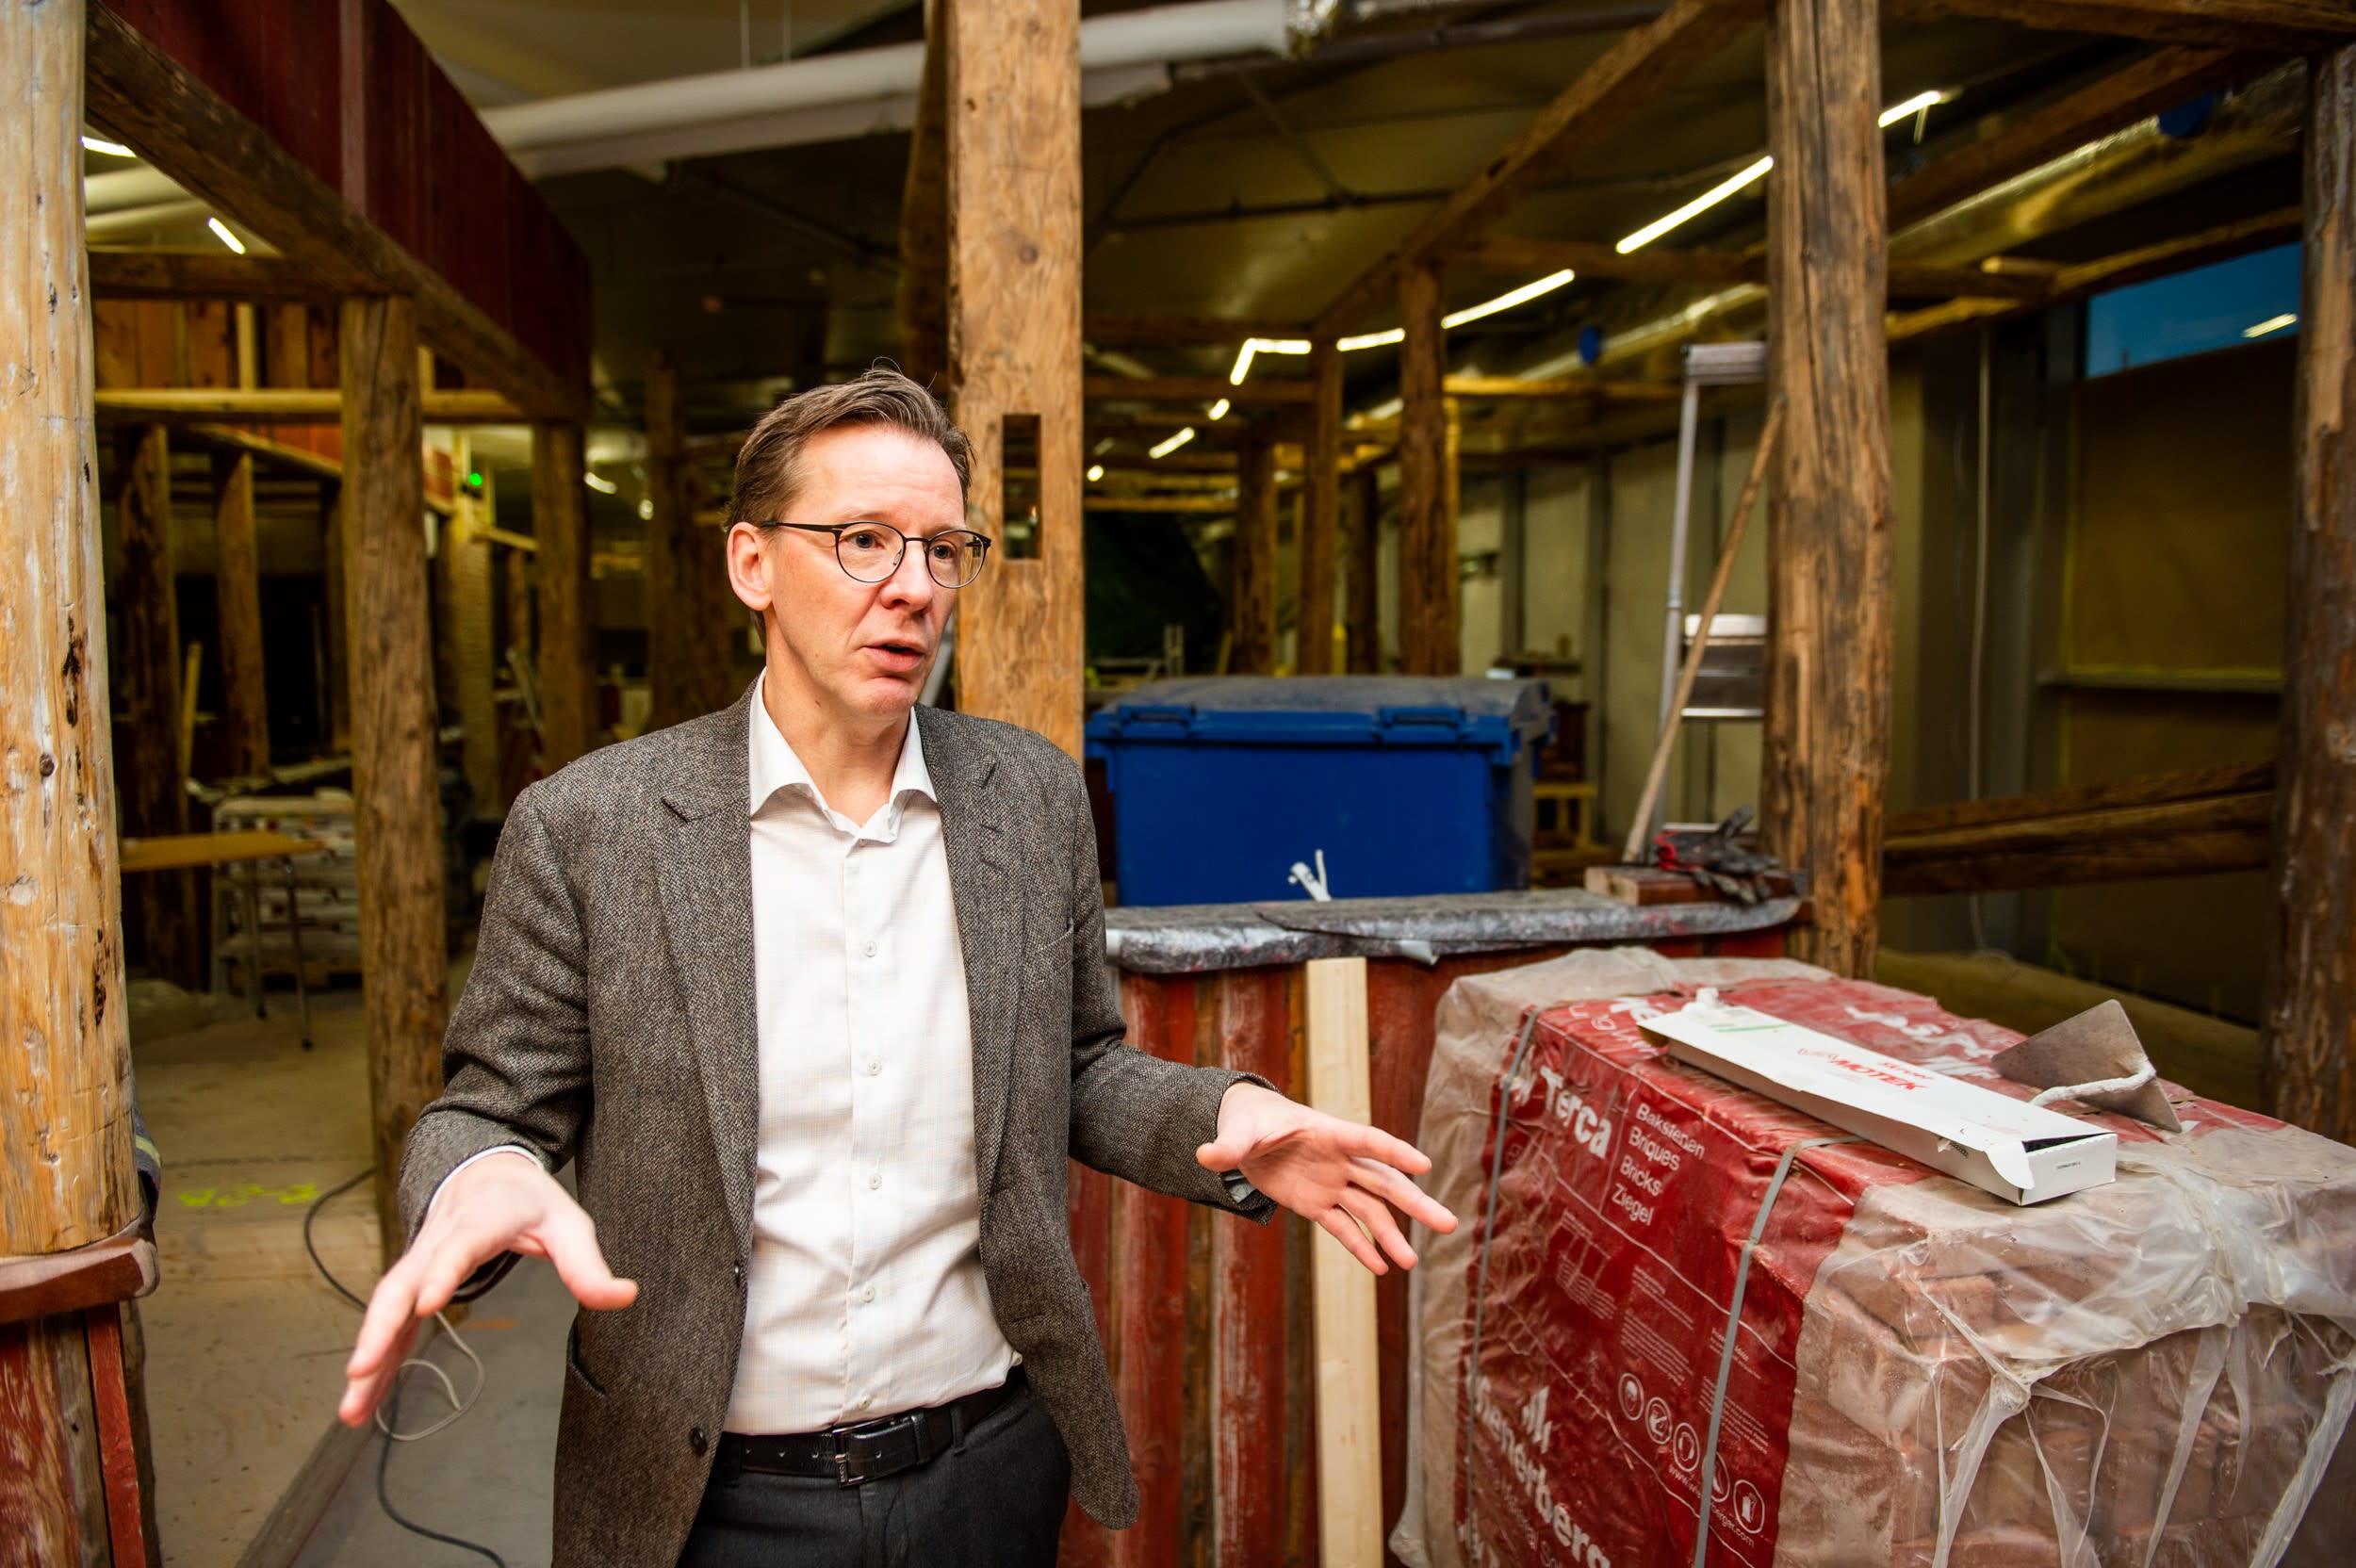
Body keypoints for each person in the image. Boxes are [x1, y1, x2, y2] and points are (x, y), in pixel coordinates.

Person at [339, 368, 1455, 1566]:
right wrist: (480, 1174)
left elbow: (1077, 1065)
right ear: (753, 564)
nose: (914, 587)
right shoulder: (591, 829)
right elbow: (486, 1111)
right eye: (863, 540)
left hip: (988, 1466)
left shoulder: (1028, 798)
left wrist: (1226, 1114)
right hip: (706, 1496)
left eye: (942, 549)